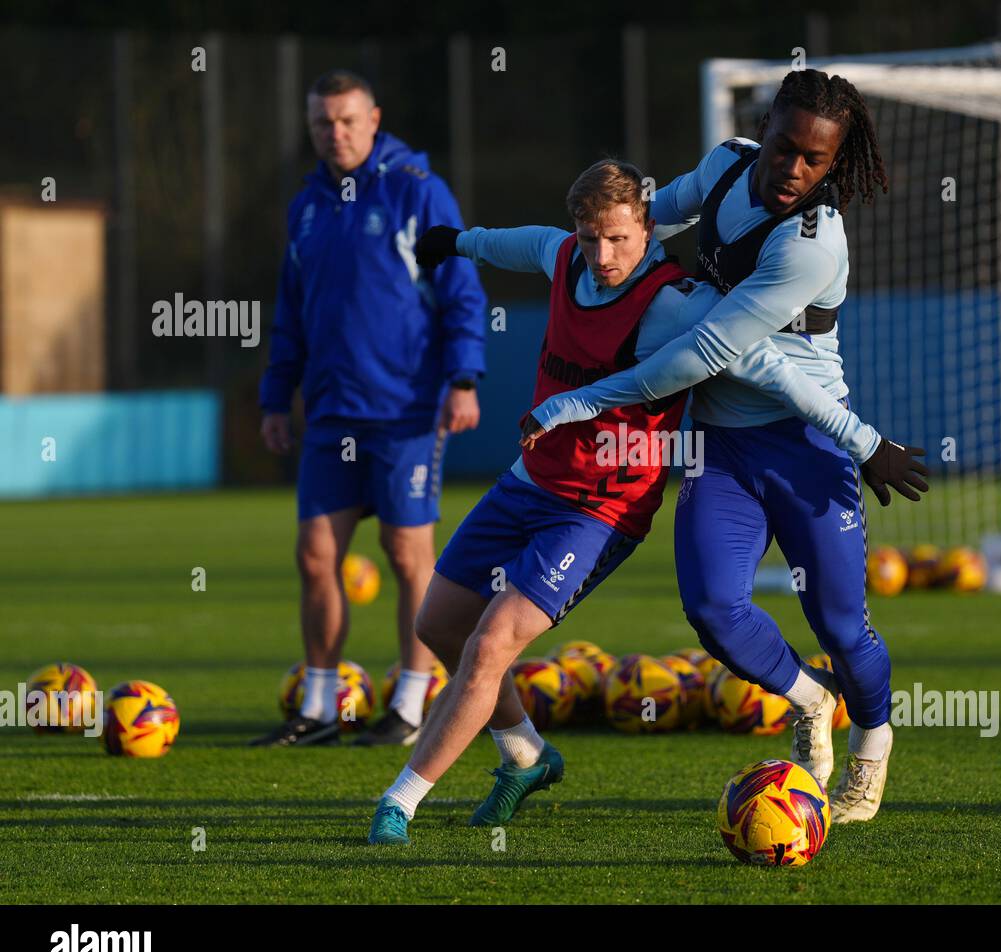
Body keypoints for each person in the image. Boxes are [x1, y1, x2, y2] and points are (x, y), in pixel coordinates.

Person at [367, 158, 885, 844]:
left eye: (618, 239)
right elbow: (514, 243)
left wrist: (866, 440)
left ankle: (400, 801)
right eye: (589, 238)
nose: (602, 255)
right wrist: (458, 240)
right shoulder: (565, 259)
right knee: (441, 626)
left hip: (597, 510)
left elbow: (769, 367)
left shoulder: (676, 302)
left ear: (648, 227)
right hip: (528, 481)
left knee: (491, 645)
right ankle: (525, 755)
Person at [523, 69, 928, 822]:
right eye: (784, 148)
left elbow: (702, 351)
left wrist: (580, 399)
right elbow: (651, 215)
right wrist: (605, 249)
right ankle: (811, 700)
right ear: (765, 127)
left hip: (807, 441)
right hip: (718, 443)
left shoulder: (812, 243)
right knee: (713, 607)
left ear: (834, 163)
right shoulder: (725, 166)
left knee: (841, 625)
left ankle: (872, 743)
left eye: (814, 160)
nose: (793, 170)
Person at [253, 70, 487, 748]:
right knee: (315, 555)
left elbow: (463, 293)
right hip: (330, 414)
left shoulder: (417, 189)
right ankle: (320, 707)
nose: (337, 133)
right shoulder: (306, 205)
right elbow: (290, 313)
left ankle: (411, 708)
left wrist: (464, 377)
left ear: (374, 119)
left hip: (406, 411)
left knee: (407, 553)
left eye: (349, 120)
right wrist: (276, 396)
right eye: (324, 122)